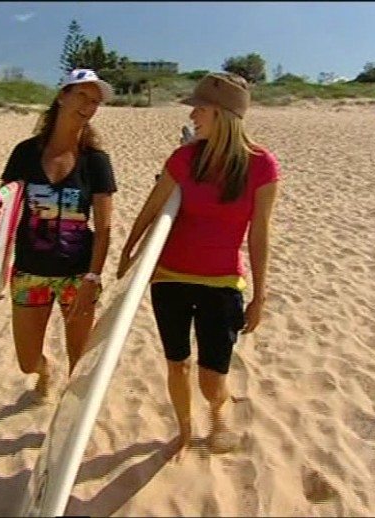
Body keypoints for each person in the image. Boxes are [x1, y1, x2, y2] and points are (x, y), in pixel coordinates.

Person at [116, 72, 281, 460]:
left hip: (222, 283)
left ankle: (218, 410)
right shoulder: (184, 158)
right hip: (169, 278)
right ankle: (185, 432)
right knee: (177, 364)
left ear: (222, 114)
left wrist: (260, 296)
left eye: (199, 109)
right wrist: (128, 252)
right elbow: (152, 208)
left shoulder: (262, 166)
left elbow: (259, 234)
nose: (192, 116)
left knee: (211, 378)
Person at [0, 69, 117, 399]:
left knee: (79, 362)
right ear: (62, 96)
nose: (88, 106)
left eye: (94, 102)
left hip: (77, 276)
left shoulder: (96, 161)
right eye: (82, 96)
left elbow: (104, 228)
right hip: (30, 273)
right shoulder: (25, 153)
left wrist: (92, 278)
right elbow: (3, 215)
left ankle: (70, 418)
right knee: (27, 362)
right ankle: (44, 370)